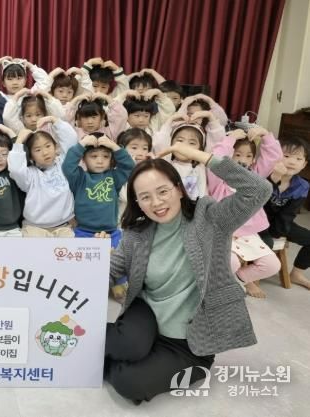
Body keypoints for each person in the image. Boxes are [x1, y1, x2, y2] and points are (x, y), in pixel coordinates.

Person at [105, 142, 272, 404]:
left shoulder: (210, 219)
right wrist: (90, 260)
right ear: (137, 202)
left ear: (179, 188)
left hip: (189, 343)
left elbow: (259, 189)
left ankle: (111, 357)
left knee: (130, 383)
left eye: (163, 191)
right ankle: (110, 345)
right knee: (129, 345)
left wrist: (200, 156)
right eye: (145, 197)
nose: (156, 203)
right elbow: (110, 272)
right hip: (145, 316)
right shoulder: (136, 233)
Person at [208, 128, 282, 298]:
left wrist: (266, 135)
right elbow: (215, 158)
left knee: (272, 265)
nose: (243, 160)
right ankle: (217, 288)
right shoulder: (218, 180)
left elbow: (272, 157)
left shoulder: (254, 177)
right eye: (238, 154)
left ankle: (236, 281)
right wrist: (230, 139)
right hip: (222, 232)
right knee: (231, 262)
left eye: (249, 156)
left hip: (247, 234)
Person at [8, 117, 78, 237]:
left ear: (55, 147)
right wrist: (19, 141)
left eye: (48, 146)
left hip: (64, 226)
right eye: (38, 150)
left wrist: (54, 120)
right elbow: (15, 169)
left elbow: (71, 140)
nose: (45, 152)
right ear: (31, 156)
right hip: (35, 228)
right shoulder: (29, 175)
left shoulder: (63, 164)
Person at [62, 132, 134, 247]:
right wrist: (82, 144)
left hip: (112, 233)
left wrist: (114, 147)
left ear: (111, 158)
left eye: (106, 156)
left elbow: (129, 166)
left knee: (117, 257)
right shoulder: (79, 178)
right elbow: (68, 166)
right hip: (83, 232)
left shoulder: (114, 177)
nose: (100, 161)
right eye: (94, 156)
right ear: (83, 158)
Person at [261, 136, 310, 290]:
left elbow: (288, 214)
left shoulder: (302, 186)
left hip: (281, 223)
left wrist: (278, 233)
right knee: (266, 242)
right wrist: (274, 179)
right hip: (257, 221)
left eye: (298, 158)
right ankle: (250, 275)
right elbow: (258, 206)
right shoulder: (264, 174)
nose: (292, 162)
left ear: (304, 164)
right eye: (286, 156)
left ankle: (296, 274)